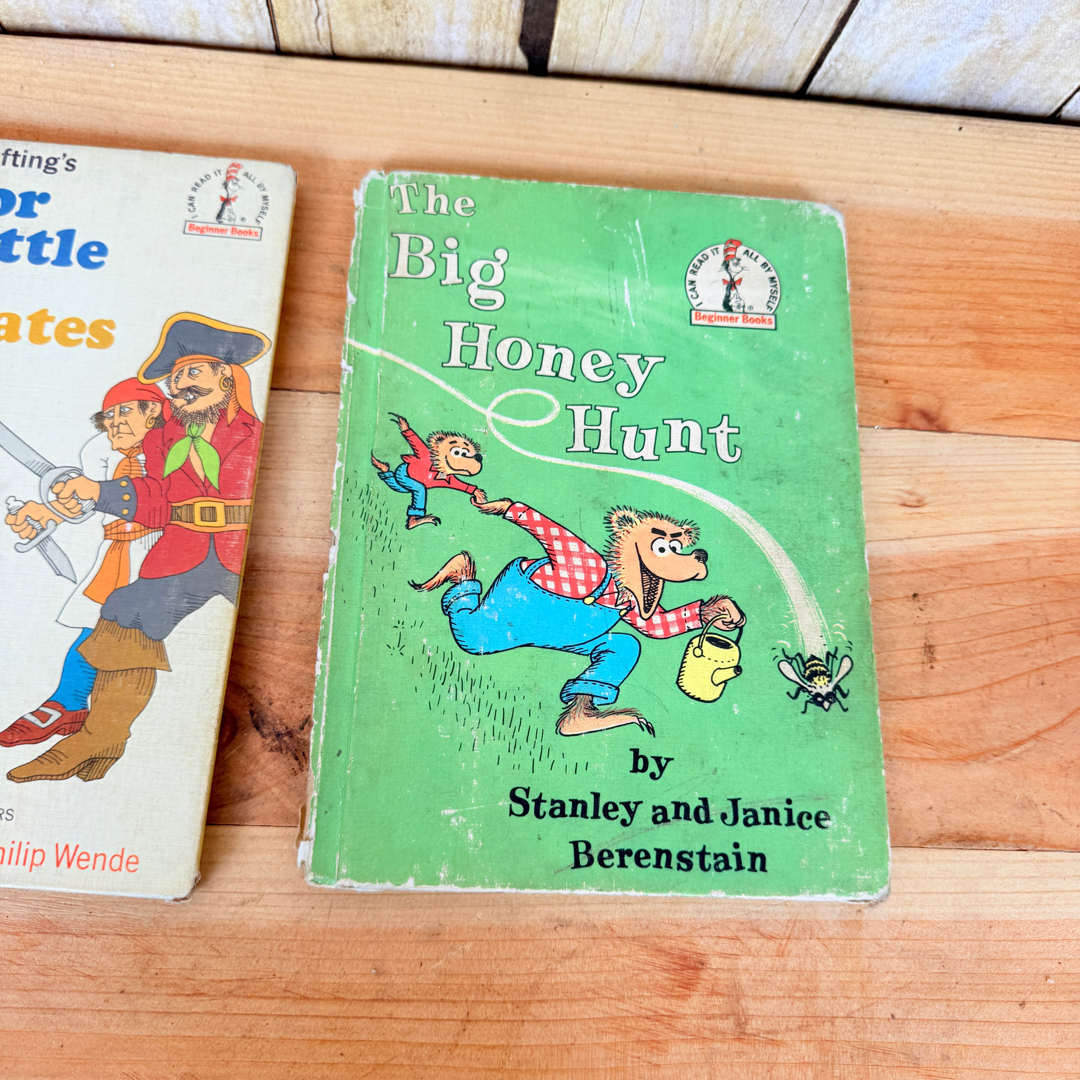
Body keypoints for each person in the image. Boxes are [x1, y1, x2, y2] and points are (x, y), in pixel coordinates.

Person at [6, 313, 272, 784]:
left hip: (247, 551)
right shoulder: (166, 438)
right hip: (186, 549)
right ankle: (99, 737)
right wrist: (96, 492)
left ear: (227, 378)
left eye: (193, 373)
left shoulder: (257, 433)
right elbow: (156, 498)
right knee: (125, 611)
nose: (181, 386)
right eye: (176, 380)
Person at [2, 379, 170, 747]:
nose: (115, 422)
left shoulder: (178, 446)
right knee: (92, 623)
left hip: (166, 550)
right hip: (118, 550)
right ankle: (70, 705)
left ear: (154, 411)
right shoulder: (101, 451)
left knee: (125, 634)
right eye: (109, 416)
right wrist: (47, 513)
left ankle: (86, 715)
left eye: (125, 411)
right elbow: (86, 501)